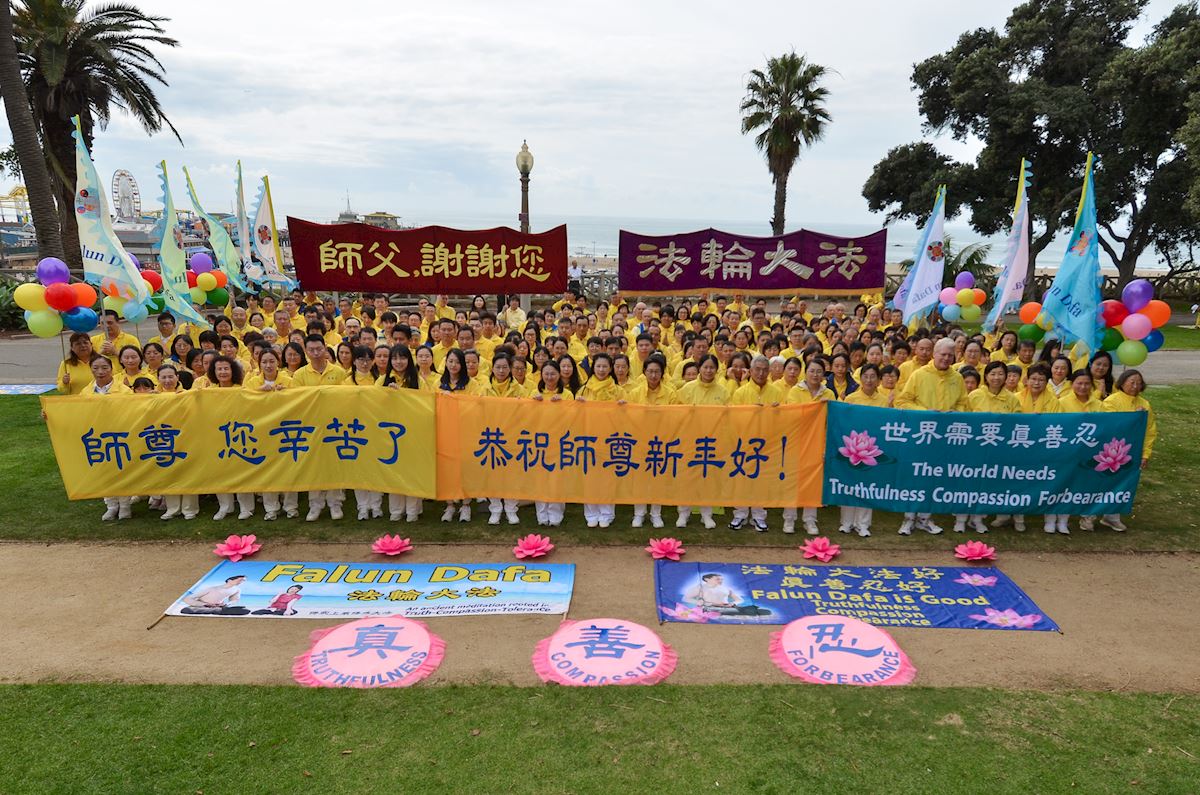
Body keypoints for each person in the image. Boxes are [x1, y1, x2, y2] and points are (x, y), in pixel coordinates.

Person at [893, 338, 969, 536]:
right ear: (934, 354)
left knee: (934, 478)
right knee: (916, 478)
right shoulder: (919, 375)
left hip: (946, 437)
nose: (946, 358)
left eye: (950, 355)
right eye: (943, 354)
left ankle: (925, 519)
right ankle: (908, 518)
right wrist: (925, 413)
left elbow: (963, 403)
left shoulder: (957, 378)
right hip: (921, 436)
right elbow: (902, 401)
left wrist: (956, 413)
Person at [729, 355, 786, 532]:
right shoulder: (740, 393)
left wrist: (777, 411)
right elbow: (734, 419)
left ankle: (759, 515)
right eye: (757, 369)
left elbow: (784, 419)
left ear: (769, 372)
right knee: (742, 479)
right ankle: (740, 514)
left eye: (764, 370)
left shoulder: (777, 392)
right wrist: (750, 412)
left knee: (762, 480)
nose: (761, 373)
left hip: (767, 442)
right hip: (744, 442)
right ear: (751, 371)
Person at [674, 354, 729, 529]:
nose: (708, 370)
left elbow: (728, 417)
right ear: (699, 368)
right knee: (687, 478)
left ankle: (707, 514)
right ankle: (684, 513)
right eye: (705, 367)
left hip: (712, 441)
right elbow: (677, 413)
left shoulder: (723, 391)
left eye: (712, 367)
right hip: (689, 440)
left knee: (708, 477)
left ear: (716, 370)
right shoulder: (687, 388)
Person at [1099, 369, 1156, 532]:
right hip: (1111, 452)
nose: (1135, 386)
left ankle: (1112, 517)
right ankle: (1090, 515)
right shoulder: (1111, 401)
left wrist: (1145, 454)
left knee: (1123, 484)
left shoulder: (1145, 404)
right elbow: (1109, 425)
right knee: (1104, 482)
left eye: (1139, 383)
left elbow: (1150, 431)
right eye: (1132, 382)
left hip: (1133, 451)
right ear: (1122, 383)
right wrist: (1133, 418)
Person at [626, 355, 674, 529]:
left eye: (657, 372)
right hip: (640, 441)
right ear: (644, 372)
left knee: (657, 478)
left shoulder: (670, 393)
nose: (653, 375)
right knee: (639, 479)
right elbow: (628, 417)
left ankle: (656, 513)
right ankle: (639, 513)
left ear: (662, 373)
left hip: (661, 441)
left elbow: (675, 417)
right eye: (650, 371)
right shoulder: (635, 393)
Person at [576, 353, 621, 528]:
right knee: (589, 477)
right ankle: (591, 512)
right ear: (593, 368)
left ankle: (607, 513)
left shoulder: (618, 391)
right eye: (598, 366)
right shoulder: (583, 390)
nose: (601, 370)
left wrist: (623, 407)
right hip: (588, 438)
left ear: (610, 369)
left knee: (607, 478)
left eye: (605, 366)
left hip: (610, 439)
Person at [483, 354, 527, 524]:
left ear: (510, 369)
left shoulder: (519, 390)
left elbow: (528, 413)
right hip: (490, 436)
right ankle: (495, 508)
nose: (501, 371)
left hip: (512, 435)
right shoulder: (484, 389)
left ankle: (511, 508)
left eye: (505, 367)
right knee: (492, 473)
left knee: (512, 474)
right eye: (498, 367)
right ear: (492, 368)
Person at [531, 360, 573, 527]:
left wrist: (562, 405)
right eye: (546, 374)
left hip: (559, 441)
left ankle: (556, 513)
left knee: (557, 479)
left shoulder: (567, 395)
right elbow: (527, 417)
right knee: (540, 479)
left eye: (553, 374)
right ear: (541, 375)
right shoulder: (534, 393)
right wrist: (534, 404)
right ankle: (541, 514)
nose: (549, 377)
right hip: (539, 441)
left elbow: (573, 418)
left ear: (559, 375)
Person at [180, 575, 250, 615]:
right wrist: (204, 604)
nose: (241, 582)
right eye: (240, 580)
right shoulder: (212, 588)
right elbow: (187, 598)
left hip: (218, 606)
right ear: (229, 580)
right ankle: (215, 610)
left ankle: (217, 610)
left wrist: (226, 604)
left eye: (243, 581)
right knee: (187, 610)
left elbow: (234, 600)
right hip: (202, 606)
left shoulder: (237, 589)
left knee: (245, 610)